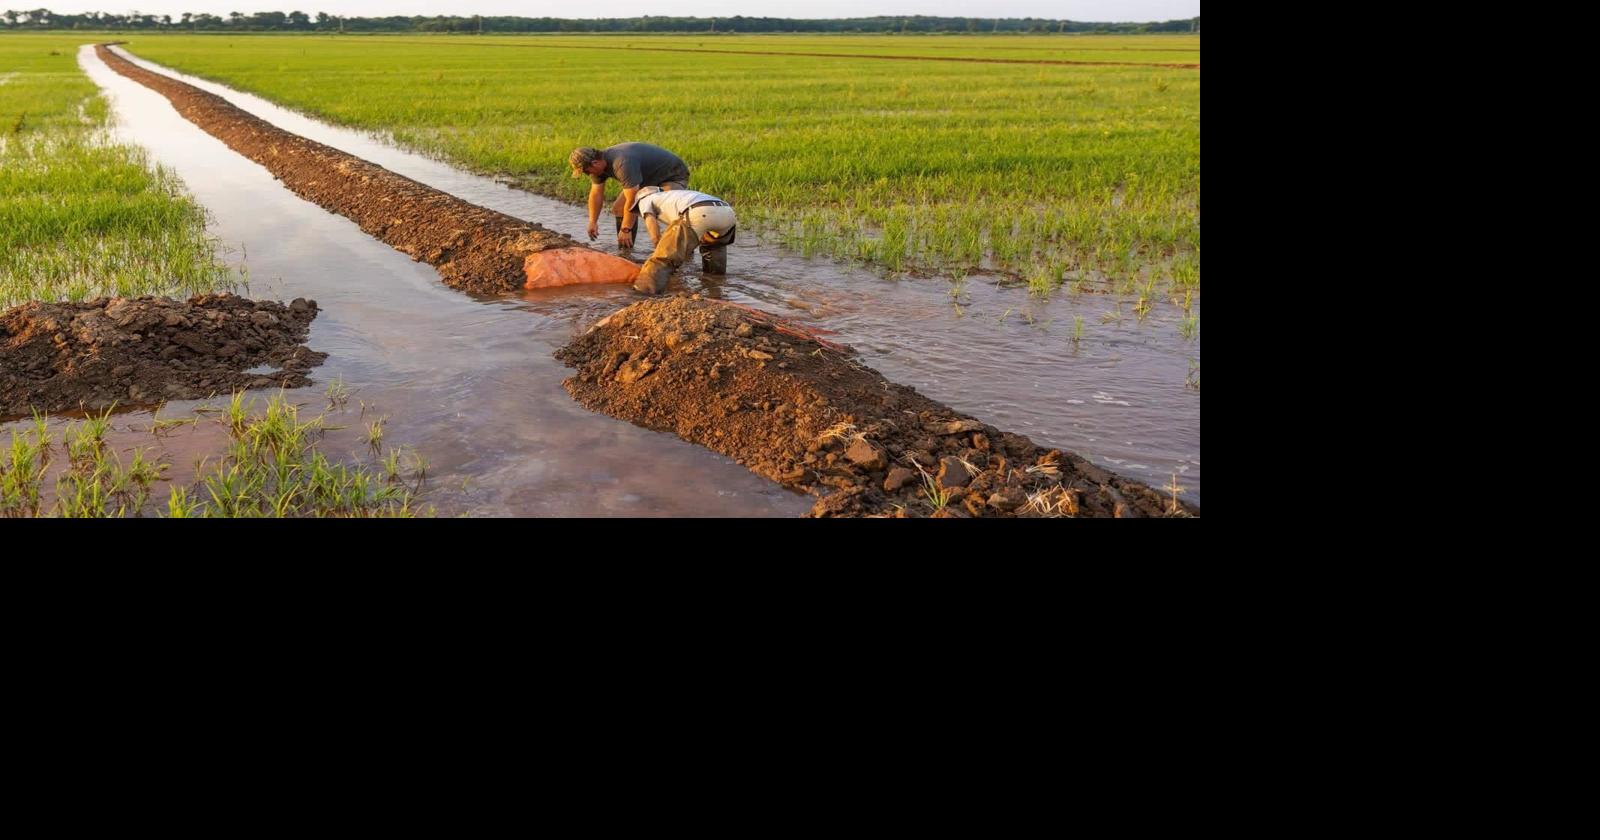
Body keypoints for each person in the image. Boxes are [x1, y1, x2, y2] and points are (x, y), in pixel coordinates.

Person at [568, 143, 690, 251]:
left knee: (665, 212)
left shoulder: (621, 163)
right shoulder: (597, 167)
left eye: (586, 171)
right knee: (619, 209)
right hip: (646, 179)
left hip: (671, 176)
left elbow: (632, 199)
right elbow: (596, 193)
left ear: (594, 163)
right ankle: (626, 251)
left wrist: (626, 229)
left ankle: (684, 250)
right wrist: (592, 221)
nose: (588, 174)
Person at [629, 186, 738, 294]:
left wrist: (660, 248)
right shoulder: (673, 196)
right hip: (727, 213)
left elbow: (654, 231)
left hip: (699, 211)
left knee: (661, 260)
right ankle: (715, 288)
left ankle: (643, 293)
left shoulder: (644, 199)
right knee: (713, 249)